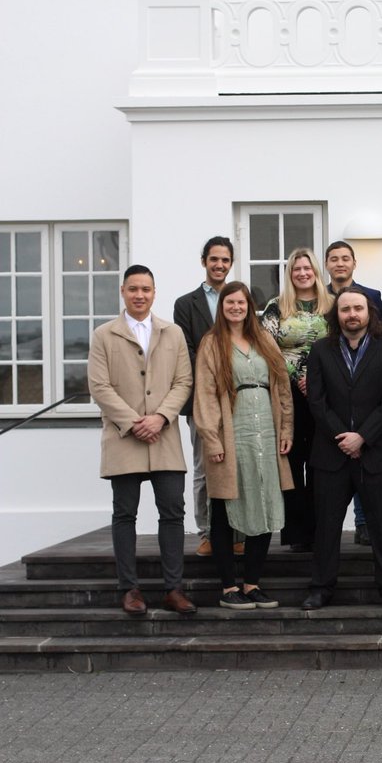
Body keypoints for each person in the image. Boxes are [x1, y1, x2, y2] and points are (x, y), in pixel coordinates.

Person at [87, 265, 196, 615]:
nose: (139, 295)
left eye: (146, 289)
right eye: (133, 289)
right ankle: (129, 589)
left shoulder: (173, 333)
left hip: (164, 436)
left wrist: (161, 417)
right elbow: (99, 387)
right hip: (124, 437)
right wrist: (135, 423)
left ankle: (173, 588)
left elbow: (184, 381)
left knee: (173, 512)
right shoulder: (104, 334)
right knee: (124, 513)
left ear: (154, 292)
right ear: (122, 291)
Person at [300, 287, 382, 611]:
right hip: (330, 454)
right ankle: (321, 588)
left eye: (357, 308)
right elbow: (316, 402)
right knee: (327, 527)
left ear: (369, 312)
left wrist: (362, 437)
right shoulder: (320, 350)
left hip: (376, 453)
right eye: (345, 309)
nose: (352, 315)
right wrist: (344, 438)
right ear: (337, 315)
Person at [193, 282, 293, 609]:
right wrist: (212, 437)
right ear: (222, 307)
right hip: (231, 433)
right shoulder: (212, 343)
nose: (236, 308)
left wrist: (286, 429)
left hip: (265, 428)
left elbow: (281, 387)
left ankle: (252, 584)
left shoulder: (264, 340)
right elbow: (206, 394)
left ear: (251, 306)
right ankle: (227, 588)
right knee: (224, 506)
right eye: (229, 302)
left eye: (242, 302)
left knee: (264, 503)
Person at [262, 248, 332, 553]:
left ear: (316, 271)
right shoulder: (276, 307)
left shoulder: (331, 306)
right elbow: (267, 347)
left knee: (321, 462)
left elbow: (342, 345)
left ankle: (320, 530)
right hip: (287, 395)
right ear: (290, 274)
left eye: (307, 268)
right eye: (296, 269)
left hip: (326, 395)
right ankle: (296, 532)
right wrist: (294, 377)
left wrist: (316, 380)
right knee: (292, 460)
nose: (302, 273)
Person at [173, 235, 237, 557]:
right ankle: (207, 533)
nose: (219, 265)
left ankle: (237, 531)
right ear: (204, 261)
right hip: (201, 397)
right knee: (204, 467)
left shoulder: (241, 299)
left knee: (238, 465)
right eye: (214, 259)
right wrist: (216, 371)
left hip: (239, 397)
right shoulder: (186, 304)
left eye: (225, 260)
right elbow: (186, 352)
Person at [324, 240, 382, 547]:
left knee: (366, 464)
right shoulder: (320, 298)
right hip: (331, 393)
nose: (340, 263)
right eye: (334, 258)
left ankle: (363, 523)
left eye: (345, 258)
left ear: (354, 263)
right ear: (327, 264)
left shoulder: (372, 296)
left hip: (367, 396)